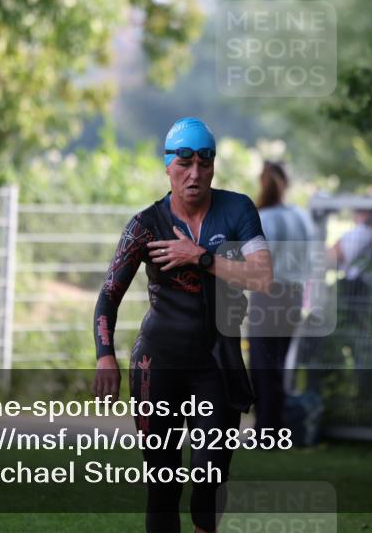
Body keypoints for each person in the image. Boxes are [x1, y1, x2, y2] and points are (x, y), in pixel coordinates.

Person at [92, 117, 273, 533]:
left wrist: (200, 257)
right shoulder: (145, 225)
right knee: (163, 484)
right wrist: (105, 356)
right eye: (184, 162)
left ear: (213, 166)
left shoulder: (237, 209)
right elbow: (107, 296)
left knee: (209, 479)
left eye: (204, 162)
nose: (195, 173)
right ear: (168, 166)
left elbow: (263, 277)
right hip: (158, 365)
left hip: (217, 362)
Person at [250, 161, 313, 434]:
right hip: (295, 295)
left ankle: (266, 430)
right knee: (279, 363)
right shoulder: (302, 217)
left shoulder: (263, 218)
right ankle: (276, 428)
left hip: (268, 294)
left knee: (262, 365)